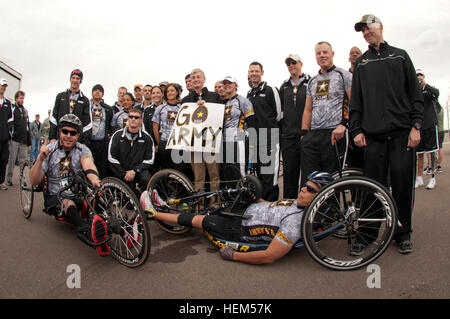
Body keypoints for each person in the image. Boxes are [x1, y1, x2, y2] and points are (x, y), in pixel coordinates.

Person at [143, 171, 334, 264]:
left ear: (318, 198)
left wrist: (234, 255)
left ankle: (153, 212)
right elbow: (272, 207)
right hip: (249, 208)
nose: (302, 189)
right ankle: (169, 203)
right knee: (225, 192)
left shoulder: (295, 223)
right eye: (304, 185)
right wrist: (254, 197)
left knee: (198, 220)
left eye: (309, 189)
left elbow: (269, 256)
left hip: (238, 227)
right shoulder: (298, 203)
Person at [350, 14, 424, 254]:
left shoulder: (401, 55)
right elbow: (356, 102)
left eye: (369, 27)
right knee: (372, 188)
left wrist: (416, 126)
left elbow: (415, 94)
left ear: (380, 27)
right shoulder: (361, 62)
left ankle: (403, 233)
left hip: (403, 134)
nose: (366, 32)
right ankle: (368, 234)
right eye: (362, 30)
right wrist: (357, 129)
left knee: (402, 186)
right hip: (373, 137)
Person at [28, 114, 107, 256]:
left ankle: (109, 226)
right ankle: (86, 230)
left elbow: (88, 165)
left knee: (94, 197)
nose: (68, 136)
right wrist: (40, 159)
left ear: (78, 135)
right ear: (59, 132)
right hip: (56, 196)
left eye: (73, 133)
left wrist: (95, 179)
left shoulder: (83, 149)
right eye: (65, 131)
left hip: (77, 192)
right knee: (68, 202)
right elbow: (34, 181)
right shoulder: (50, 150)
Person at [300, 42, 352, 188]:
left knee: (331, 181)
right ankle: (310, 210)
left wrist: (344, 124)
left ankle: (332, 210)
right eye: (318, 53)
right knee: (309, 181)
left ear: (332, 54)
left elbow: (354, 102)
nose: (322, 55)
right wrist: (304, 134)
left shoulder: (344, 75)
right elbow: (308, 110)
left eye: (325, 52)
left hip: (335, 133)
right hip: (313, 134)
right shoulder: (312, 81)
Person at [181, 69, 222, 204]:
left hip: (211, 142)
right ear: (190, 81)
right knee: (199, 177)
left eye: (198, 77)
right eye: (193, 78)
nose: (196, 79)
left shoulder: (214, 96)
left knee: (214, 175)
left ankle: (215, 204)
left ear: (204, 79)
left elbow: (220, 117)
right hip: (194, 144)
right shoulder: (186, 100)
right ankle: (199, 205)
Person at [247, 61, 282, 201]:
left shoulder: (270, 90)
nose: (254, 73)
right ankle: (261, 209)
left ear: (262, 72)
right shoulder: (249, 94)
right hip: (256, 140)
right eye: (251, 71)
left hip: (270, 138)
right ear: (248, 74)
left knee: (270, 176)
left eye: (257, 71)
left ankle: (271, 207)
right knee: (260, 175)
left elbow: (279, 114)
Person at [279, 54, 311, 199]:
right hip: (288, 137)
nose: (291, 65)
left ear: (301, 63)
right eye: (288, 63)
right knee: (289, 175)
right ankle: (288, 207)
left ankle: (304, 208)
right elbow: (279, 112)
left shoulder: (311, 82)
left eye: (294, 62)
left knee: (306, 175)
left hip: (306, 136)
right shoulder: (284, 86)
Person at [108, 108, 155, 196]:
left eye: (136, 117)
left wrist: (134, 171)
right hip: (122, 173)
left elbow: (150, 160)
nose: (133, 119)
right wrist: (124, 173)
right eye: (131, 117)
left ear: (140, 120)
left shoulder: (147, 137)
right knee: (129, 203)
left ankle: (147, 197)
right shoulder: (117, 135)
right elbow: (111, 158)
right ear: (128, 119)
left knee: (146, 177)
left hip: (138, 172)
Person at [221, 76, 256, 179]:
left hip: (239, 141)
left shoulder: (243, 100)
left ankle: (243, 195)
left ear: (236, 85)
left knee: (239, 172)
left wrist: (252, 144)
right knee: (227, 171)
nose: (227, 85)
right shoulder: (224, 102)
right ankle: (230, 195)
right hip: (225, 141)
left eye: (229, 83)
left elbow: (251, 122)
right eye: (225, 83)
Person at [49, 69, 92, 145]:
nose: (75, 80)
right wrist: (52, 138)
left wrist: (84, 142)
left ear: (80, 81)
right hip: (60, 139)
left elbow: (87, 124)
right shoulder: (60, 96)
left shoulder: (85, 100)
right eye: (73, 78)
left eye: (77, 78)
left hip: (76, 141)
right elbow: (53, 118)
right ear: (70, 79)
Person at [414, 68, 440, 190]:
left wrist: (425, 84)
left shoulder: (429, 90)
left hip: (430, 125)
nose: (419, 77)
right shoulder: (414, 91)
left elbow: (436, 93)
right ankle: (419, 178)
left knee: (431, 152)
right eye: (417, 75)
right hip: (419, 126)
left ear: (423, 76)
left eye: (420, 75)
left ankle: (432, 178)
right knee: (419, 153)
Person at [153, 83, 184, 171]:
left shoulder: (181, 107)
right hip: (164, 142)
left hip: (178, 142)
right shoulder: (160, 108)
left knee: (179, 168)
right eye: (168, 91)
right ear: (165, 94)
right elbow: (155, 127)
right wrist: (159, 144)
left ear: (177, 92)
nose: (170, 93)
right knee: (165, 168)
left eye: (172, 90)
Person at [6, 90, 31, 187]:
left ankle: (22, 180)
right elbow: (10, 124)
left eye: (23, 98)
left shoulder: (25, 111)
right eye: (20, 98)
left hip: (23, 141)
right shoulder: (12, 109)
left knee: (23, 162)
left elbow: (27, 127)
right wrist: (10, 136)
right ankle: (8, 179)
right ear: (16, 98)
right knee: (11, 160)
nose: (22, 100)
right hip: (15, 140)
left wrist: (28, 140)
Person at [89, 84, 114, 179]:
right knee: (89, 165)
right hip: (89, 142)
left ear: (102, 94)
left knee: (102, 167)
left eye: (100, 91)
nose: (97, 92)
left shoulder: (107, 108)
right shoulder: (86, 106)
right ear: (92, 93)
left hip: (102, 143)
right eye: (95, 90)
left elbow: (111, 123)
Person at [0, 79, 13, 190]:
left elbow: (10, 120)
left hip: (4, 137)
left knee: (4, 159)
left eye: (5, 86)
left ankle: (1, 181)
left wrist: (8, 133)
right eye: (2, 86)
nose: (3, 88)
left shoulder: (7, 103)